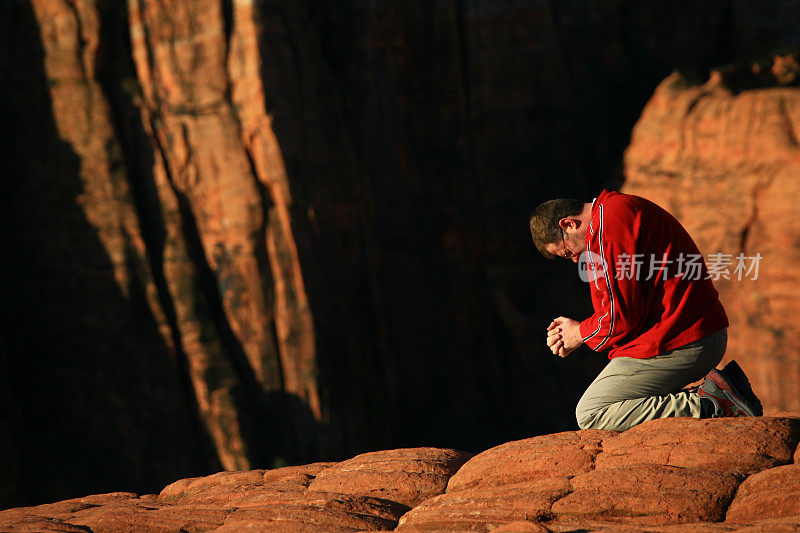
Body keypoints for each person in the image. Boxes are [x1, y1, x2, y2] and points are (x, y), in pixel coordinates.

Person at [529, 189, 762, 431]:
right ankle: (717, 391)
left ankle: (711, 403)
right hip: (691, 331)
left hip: (683, 339)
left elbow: (621, 316)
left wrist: (578, 333)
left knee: (592, 412)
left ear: (568, 224)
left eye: (567, 252)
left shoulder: (608, 229)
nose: (575, 260)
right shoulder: (615, 208)